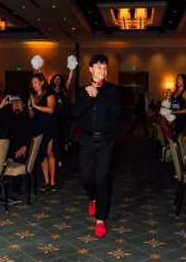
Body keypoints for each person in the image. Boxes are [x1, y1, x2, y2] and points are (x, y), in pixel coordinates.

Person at [73, 54, 121, 238]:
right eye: (99, 67)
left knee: (102, 180)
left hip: (106, 141)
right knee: (86, 179)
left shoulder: (112, 90)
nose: (103, 70)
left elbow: (116, 111)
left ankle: (100, 220)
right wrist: (89, 97)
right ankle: (93, 199)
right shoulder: (81, 91)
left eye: (105, 67)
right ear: (91, 69)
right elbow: (76, 113)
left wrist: (98, 95)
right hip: (86, 140)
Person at [0, 95, 32, 200]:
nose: (16, 105)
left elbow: (33, 134)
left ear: (23, 105)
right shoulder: (7, 115)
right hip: (5, 147)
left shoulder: (28, 117)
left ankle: (16, 190)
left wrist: (25, 146)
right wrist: (2, 103)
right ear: (11, 106)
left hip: (20, 148)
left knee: (20, 157)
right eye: (14, 103)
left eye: (19, 102)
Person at [28, 73, 59, 192]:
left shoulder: (49, 93)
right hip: (38, 127)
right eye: (32, 83)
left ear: (42, 82)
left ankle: (53, 182)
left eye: (35, 82)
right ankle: (46, 181)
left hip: (50, 127)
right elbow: (31, 116)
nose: (33, 85)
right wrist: (30, 109)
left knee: (50, 153)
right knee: (42, 154)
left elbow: (51, 110)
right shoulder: (33, 95)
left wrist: (35, 105)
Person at [50, 70, 74, 161]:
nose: (57, 80)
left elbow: (70, 79)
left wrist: (71, 69)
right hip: (52, 115)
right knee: (53, 136)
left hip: (62, 115)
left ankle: (61, 155)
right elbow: (43, 78)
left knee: (62, 135)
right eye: (55, 78)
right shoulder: (49, 90)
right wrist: (39, 68)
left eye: (59, 79)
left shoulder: (64, 89)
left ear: (61, 81)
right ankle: (55, 155)